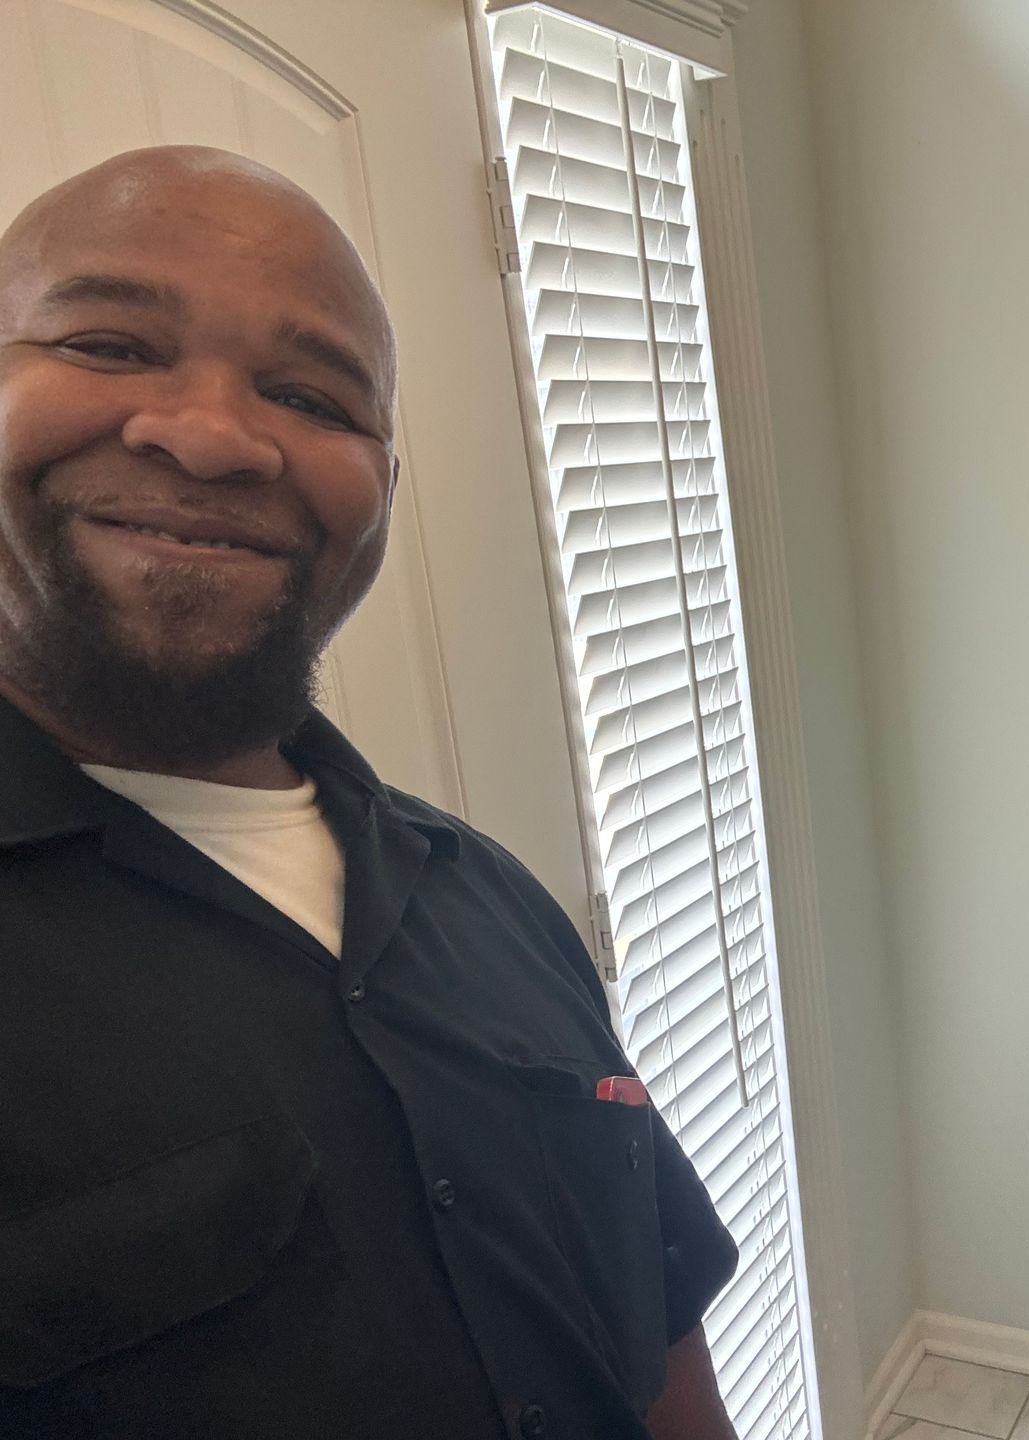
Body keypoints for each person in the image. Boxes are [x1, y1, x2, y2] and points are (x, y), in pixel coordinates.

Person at [0, 147, 740, 1439]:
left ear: (381, 491)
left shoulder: (489, 898)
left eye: (312, 397)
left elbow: (658, 1322)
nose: (215, 435)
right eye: (110, 343)